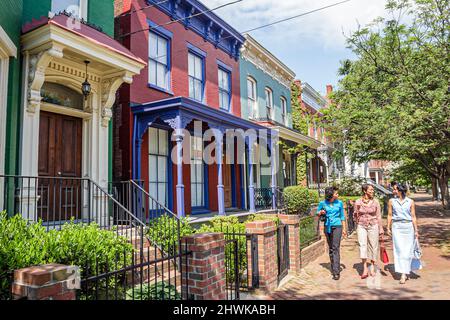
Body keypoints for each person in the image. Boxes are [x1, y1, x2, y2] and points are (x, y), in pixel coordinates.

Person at [387, 183, 419, 284]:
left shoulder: (410, 202)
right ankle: (403, 273)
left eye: (395, 189)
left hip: (408, 227)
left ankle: (405, 272)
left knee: (407, 250)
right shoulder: (392, 201)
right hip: (396, 227)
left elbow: (413, 216)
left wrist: (416, 230)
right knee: (399, 250)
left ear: (400, 190)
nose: (393, 191)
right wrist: (388, 227)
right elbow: (389, 215)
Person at [354, 184, 384, 279]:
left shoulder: (376, 202)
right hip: (361, 225)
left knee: (373, 245)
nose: (372, 191)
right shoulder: (358, 202)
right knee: (362, 245)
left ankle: (372, 266)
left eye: (372, 190)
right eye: (370, 189)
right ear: (365, 191)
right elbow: (355, 216)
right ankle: (365, 268)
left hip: (373, 225)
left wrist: (381, 228)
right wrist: (356, 216)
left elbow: (378, 215)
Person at [317, 186, 347, 280]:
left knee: (335, 247)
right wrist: (320, 212)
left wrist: (344, 229)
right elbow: (317, 213)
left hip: (337, 226)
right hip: (327, 226)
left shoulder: (339, 203)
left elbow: (342, 216)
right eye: (336, 193)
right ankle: (333, 265)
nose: (338, 195)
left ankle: (336, 271)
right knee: (330, 248)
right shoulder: (323, 203)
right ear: (331, 194)